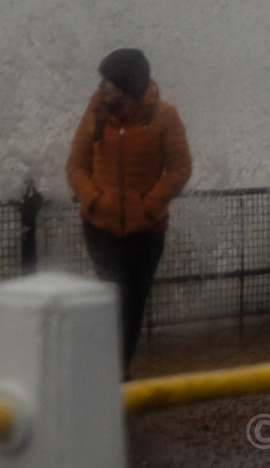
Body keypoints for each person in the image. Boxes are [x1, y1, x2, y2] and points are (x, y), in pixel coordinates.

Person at [66, 48, 192, 377]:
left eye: (109, 79)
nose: (102, 85)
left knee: (133, 304)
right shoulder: (94, 116)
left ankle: (117, 373)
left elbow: (180, 169)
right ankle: (109, 372)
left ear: (127, 84)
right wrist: (93, 199)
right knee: (111, 301)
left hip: (147, 231)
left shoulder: (165, 116)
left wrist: (150, 205)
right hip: (99, 227)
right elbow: (76, 166)